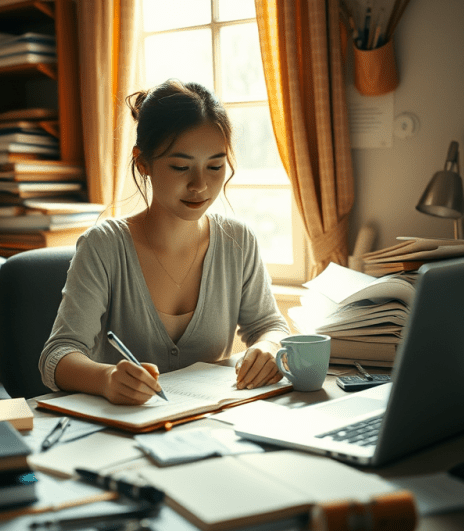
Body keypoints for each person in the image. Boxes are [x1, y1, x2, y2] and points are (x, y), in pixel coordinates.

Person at [39, 79, 290, 405]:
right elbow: (56, 355)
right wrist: (107, 380)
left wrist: (268, 348)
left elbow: (270, 326)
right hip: (120, 434)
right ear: (143, 163)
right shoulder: (103, 246)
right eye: (181, 167)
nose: (200, 185)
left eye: (215, 166)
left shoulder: (238, 242)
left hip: (210, 430)